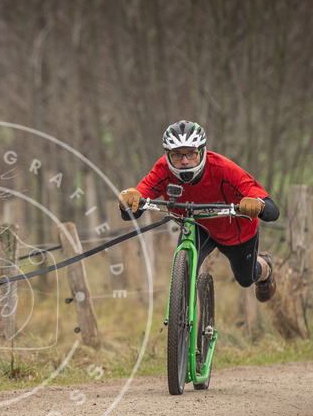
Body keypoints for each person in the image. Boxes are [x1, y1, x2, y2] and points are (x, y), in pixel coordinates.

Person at [118, 120, 279, 302]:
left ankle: (265, 266)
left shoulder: (224, 169)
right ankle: (183, 323)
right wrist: (127, 202)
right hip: (196, 225)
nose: (185, 161)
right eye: (177, 155)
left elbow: (272, 209)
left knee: (245, 279)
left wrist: (259, 206)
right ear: (167, 155)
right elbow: (133, 209)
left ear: (202, 152)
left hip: (235, 231)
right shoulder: (162, 170)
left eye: (191, 153)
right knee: (184, 270)